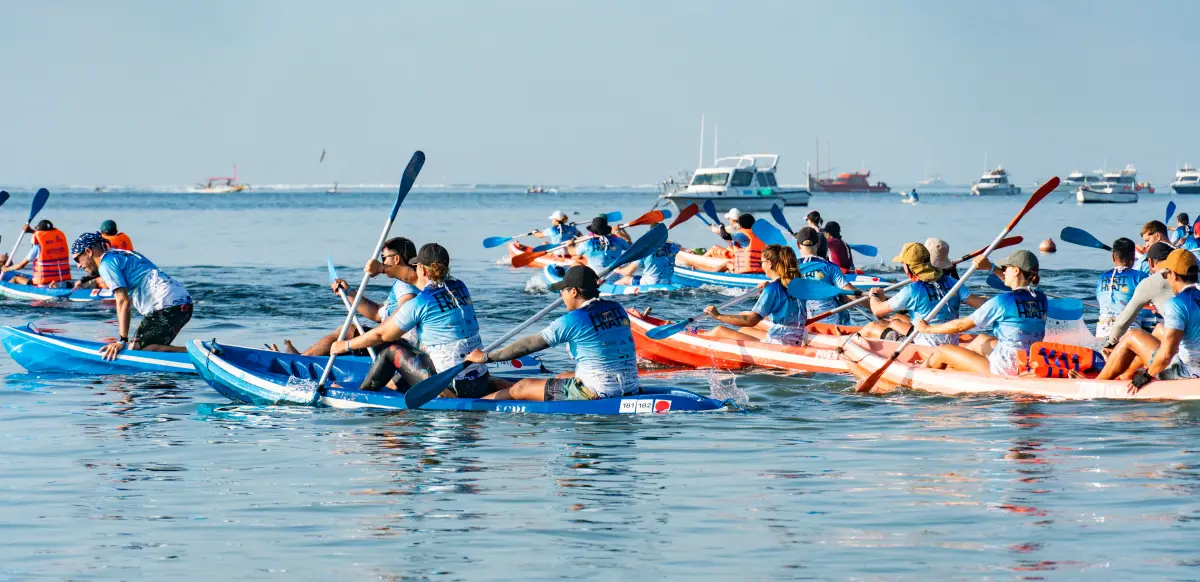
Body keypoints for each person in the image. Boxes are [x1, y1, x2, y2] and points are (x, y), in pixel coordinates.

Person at [332, 243, 499, 398]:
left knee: (391, 349)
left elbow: (381, 335)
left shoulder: (421, 302)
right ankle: (395, 385)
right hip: (480, 380)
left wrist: (345, 345)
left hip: (450, 386)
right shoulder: (460, 286)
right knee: (411, 345)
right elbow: (409, 276)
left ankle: (363, 394)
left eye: (416, 266)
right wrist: (381, 268)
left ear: (422, 270)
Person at [462, 265, 640, 402]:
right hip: (629, 385)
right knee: (562, 376)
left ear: (574, 291)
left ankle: (475, 407)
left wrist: (485, 357)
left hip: (596, 392)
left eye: (563, 290)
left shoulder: (573, 319)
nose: (561, 295)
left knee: (522, 387)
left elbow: (528, 345)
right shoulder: (617, 308)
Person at [276, 237, 420, 355]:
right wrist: (349, 292)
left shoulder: (405, 286)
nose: (381, 262)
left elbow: (406, 311)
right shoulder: (405, 284)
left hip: (401, 345)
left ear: (396, 259)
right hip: (394, 339)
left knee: (348, 331)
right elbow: (377, 313)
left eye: (384, 258)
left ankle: (302, 359)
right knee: (350, 331)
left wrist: (378, 333)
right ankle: (308, 356)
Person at [916, 250, 1047, 375]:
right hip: (1027, 361)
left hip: (1004, 368)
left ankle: (919, 372)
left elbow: (960, 326)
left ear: (1016, 270)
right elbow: (1017, 286)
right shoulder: (1041, 297)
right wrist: (990, 267)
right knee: (981, 340)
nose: (1003, 271)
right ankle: (953, 365)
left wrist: (927, 329)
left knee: (943, 349)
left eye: (1006, 268)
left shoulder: (1001, 301)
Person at [70, 232, 193, 359]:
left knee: (138, 350)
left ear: (88, 251)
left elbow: (123, 301)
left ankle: (199, 352)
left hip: (166, 305)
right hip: (184, 302)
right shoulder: (121, 254)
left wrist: (122, 340)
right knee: (146, 347)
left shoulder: (106, 264)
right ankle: (194, 354)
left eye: (77, 259)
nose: (78, 265)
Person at [1096, 249, 1200, 391]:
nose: (1166, 279)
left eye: (1165, 275)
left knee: (1132, 335)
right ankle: (1126, 374)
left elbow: (1167, 354)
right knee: (1159, 329)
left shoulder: (1176, 304)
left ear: (1173, 275)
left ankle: (1097, 384)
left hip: (1186, 374)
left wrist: (1145, 376)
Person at [862, 242, 986, 346]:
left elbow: (877, 311)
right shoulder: (953, 282)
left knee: (872, 327)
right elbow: (982, 305)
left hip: (925, 345)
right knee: (896, 318)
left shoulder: (912, 290)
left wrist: (874, 296)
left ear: (910, 267)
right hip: (951, 341)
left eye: (903, 264)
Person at [700, 245, 807, 345]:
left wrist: (718, 316)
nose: (761, 265)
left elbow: (751, 321)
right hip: (798, 337)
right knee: (745, 330)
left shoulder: (772, 289)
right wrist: (769, 287)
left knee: (719, 330)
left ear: (770, 264)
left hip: (779, 343)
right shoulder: (798, 284)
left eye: (761, 262)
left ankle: (697, 339)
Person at [1103, 242, 1176, 352]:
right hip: (1188, 337)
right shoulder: (1186, 278)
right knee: (1158, 328)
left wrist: (1110, 343)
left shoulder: (1150, 282)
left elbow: (1124, 320)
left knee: (1132, 334)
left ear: (1150, 262)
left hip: (1104, 328)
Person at [795, 227, 858, 325]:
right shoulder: (830, 267)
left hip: (800, 322)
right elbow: (852, 294)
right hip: (830, 322)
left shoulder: (790, 268)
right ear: (818, 244)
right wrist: (874, 305)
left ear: (798, 245)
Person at [1095, 237, 1151, 341]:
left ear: (1113, 257)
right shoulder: (1140, 277)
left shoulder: (1102, 277)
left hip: (1101, 332)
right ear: (1133, 257)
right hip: (1129, 332)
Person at [1, 220, 72, 287]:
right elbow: (44, 236)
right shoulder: (60, 245)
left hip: (43, 285)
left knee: (16, 278)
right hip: (62, 283)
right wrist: (30, 231)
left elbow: (21, 266)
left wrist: (6, 269)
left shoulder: (37, 248)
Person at [616, 239, 681, 286]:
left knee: (626, 279)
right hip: (666, 283)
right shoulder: (673, 248)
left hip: (648, 284)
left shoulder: (645, 252)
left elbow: (628, 272)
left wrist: (618, 270)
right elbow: (678, 246)